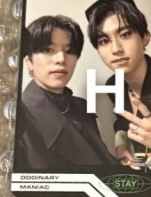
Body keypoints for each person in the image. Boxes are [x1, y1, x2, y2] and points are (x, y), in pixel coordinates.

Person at [14, 15, 118, 171]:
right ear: (28, 61)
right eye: (48, 50)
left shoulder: (81, 106)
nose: (61, 59)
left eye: (69, 51)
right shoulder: (16, 117)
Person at [86, 0, 151, 170]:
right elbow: (122, 121)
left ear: (145, 37)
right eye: (104, 41)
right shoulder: (113, 85)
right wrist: (121, 144)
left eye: (125, 34)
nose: (116, 49)